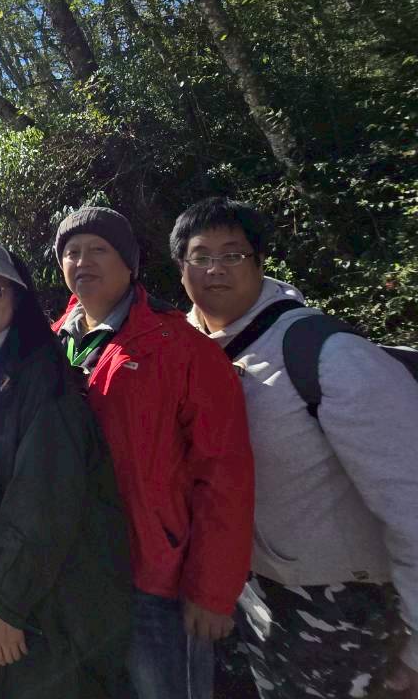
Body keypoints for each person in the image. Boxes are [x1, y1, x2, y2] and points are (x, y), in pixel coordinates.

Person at [172, 196, 418, 699]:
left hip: (349, 607)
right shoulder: (182, 354)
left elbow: (409, 498)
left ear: (260, 261)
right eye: (200, 256)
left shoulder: (327, 354)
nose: (215, 269)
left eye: (233, 254)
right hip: (251, 599)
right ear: (181, 269)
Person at [0, 238, 133, 698]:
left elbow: (43, 501)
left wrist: (8, 604)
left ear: (17, 294)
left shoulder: (42, 376)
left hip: (42, 601)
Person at [52, 206, 254, 699]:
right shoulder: (55, 342)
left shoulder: (181, 347)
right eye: (72, 252)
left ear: (130, 263)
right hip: (79, 570)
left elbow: (224, 473)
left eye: (99, 249)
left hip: (157, 579)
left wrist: (212, 590)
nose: (83, 261)